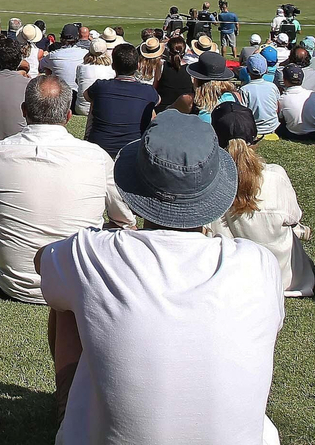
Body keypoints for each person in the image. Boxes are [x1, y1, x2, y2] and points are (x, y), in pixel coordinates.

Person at [38, 110, 284, 443]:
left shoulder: (93, 254)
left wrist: (100, 239)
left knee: (67, 297)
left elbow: (43, 261)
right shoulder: (258, 264)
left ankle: (68, 414)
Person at [0, 74, 133, 305]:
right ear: (68, 116)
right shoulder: (96, 156)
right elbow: (124, 220)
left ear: (24, 110)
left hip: (12, 282)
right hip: (78, 280)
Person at [82, 42, 161, 157]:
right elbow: (158, 100)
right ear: (138, 66)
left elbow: (87, 96)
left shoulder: (101, 86)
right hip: (133, 151)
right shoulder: (147, 90)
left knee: (95, 100)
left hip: (101, 149)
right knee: (150, 107)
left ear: (113, 66)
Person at [276, 61, 315, 140]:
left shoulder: (282, 99)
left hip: (293, 134)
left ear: (284, 80)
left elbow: (281, 119)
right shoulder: (313, 94)